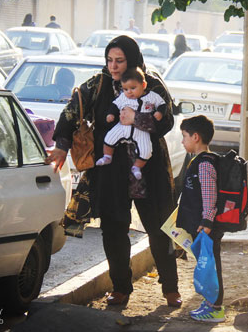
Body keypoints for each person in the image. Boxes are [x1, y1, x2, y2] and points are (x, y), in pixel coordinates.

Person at [46, 35, 182, 308]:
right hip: (111, 171)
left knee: (158, 229)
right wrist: (61, 145)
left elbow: (166, 120)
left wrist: (138, 119)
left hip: (147, 168)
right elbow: (72, 112)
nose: (113, 66)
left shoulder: (150, 82)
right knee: (113, 229)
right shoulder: (98, 84)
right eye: (110, 60)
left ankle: (170, 288)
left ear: (131, 59)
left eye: (119, 61)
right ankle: (120, 288)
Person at [176, 115, 225, 323]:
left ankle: (216, 308)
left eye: (184, 136)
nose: (182, 141)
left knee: (211, 265)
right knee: (205, 264)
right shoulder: (197, 160)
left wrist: (206, 222)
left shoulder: (204, 163)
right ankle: (209, 303)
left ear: (195, 137)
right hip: (203, 225)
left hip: (207, 226)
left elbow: (209, 195)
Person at [96, 67, 167, 181]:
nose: (129, 92)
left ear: (143, 85)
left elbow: (162, 104)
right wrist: (111, 115)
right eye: (125, 89)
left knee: (146, 151)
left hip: (141, 130)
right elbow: (115, 105)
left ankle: (137, 167)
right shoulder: (123, 97)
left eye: (133, 88)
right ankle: (107, 156)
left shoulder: (152, 96)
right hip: (123, 126)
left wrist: (159, 112)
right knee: (109, 138)